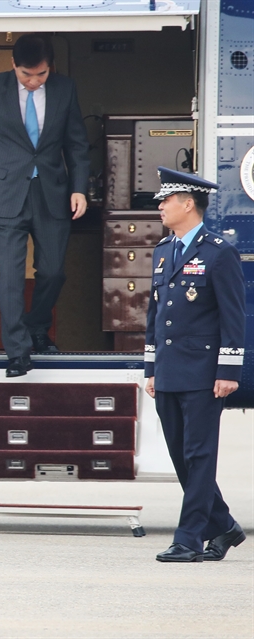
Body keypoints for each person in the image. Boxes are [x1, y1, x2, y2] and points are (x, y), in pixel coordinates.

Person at [0, 33, 89, 377]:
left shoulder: (65, 89)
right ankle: (18, 351)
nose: (34, 81)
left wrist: (79, 188)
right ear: (13, 65)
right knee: (10, 275)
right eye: (27, 75)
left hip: (52, 193)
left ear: (49, 68)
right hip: (5, 193)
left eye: (41, 75)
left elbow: (77, 144)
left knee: (53, 271)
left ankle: (37, 327)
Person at [144, 167, 246, 563]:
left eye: (166, 200)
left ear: (188, 204)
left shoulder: (218, 251)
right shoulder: (163, 250)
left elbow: (232, 317)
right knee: (181, 457)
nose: (161, 206)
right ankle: (224, 526)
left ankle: (188, 538)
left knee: (199, 455)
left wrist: (228, 371)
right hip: (169, 371)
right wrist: (151, 369)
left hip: (204, 373)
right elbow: (154, 316)